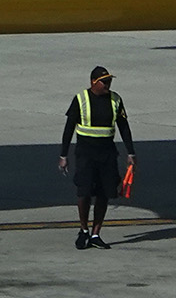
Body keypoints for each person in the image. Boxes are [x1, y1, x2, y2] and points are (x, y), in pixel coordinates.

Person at [57, 64, 134, 248]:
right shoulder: (80, 99)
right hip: (86, 154)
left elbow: (124, 126)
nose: (107, 85)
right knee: (84, 192)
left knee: (104, 193)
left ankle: (95, 234)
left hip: (107, 153)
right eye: (103, 82)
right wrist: (63, 155)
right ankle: (83, 230)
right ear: (93, 82)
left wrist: (131, 152)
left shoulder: (115, 100)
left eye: (108, 81)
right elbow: (69, 128)